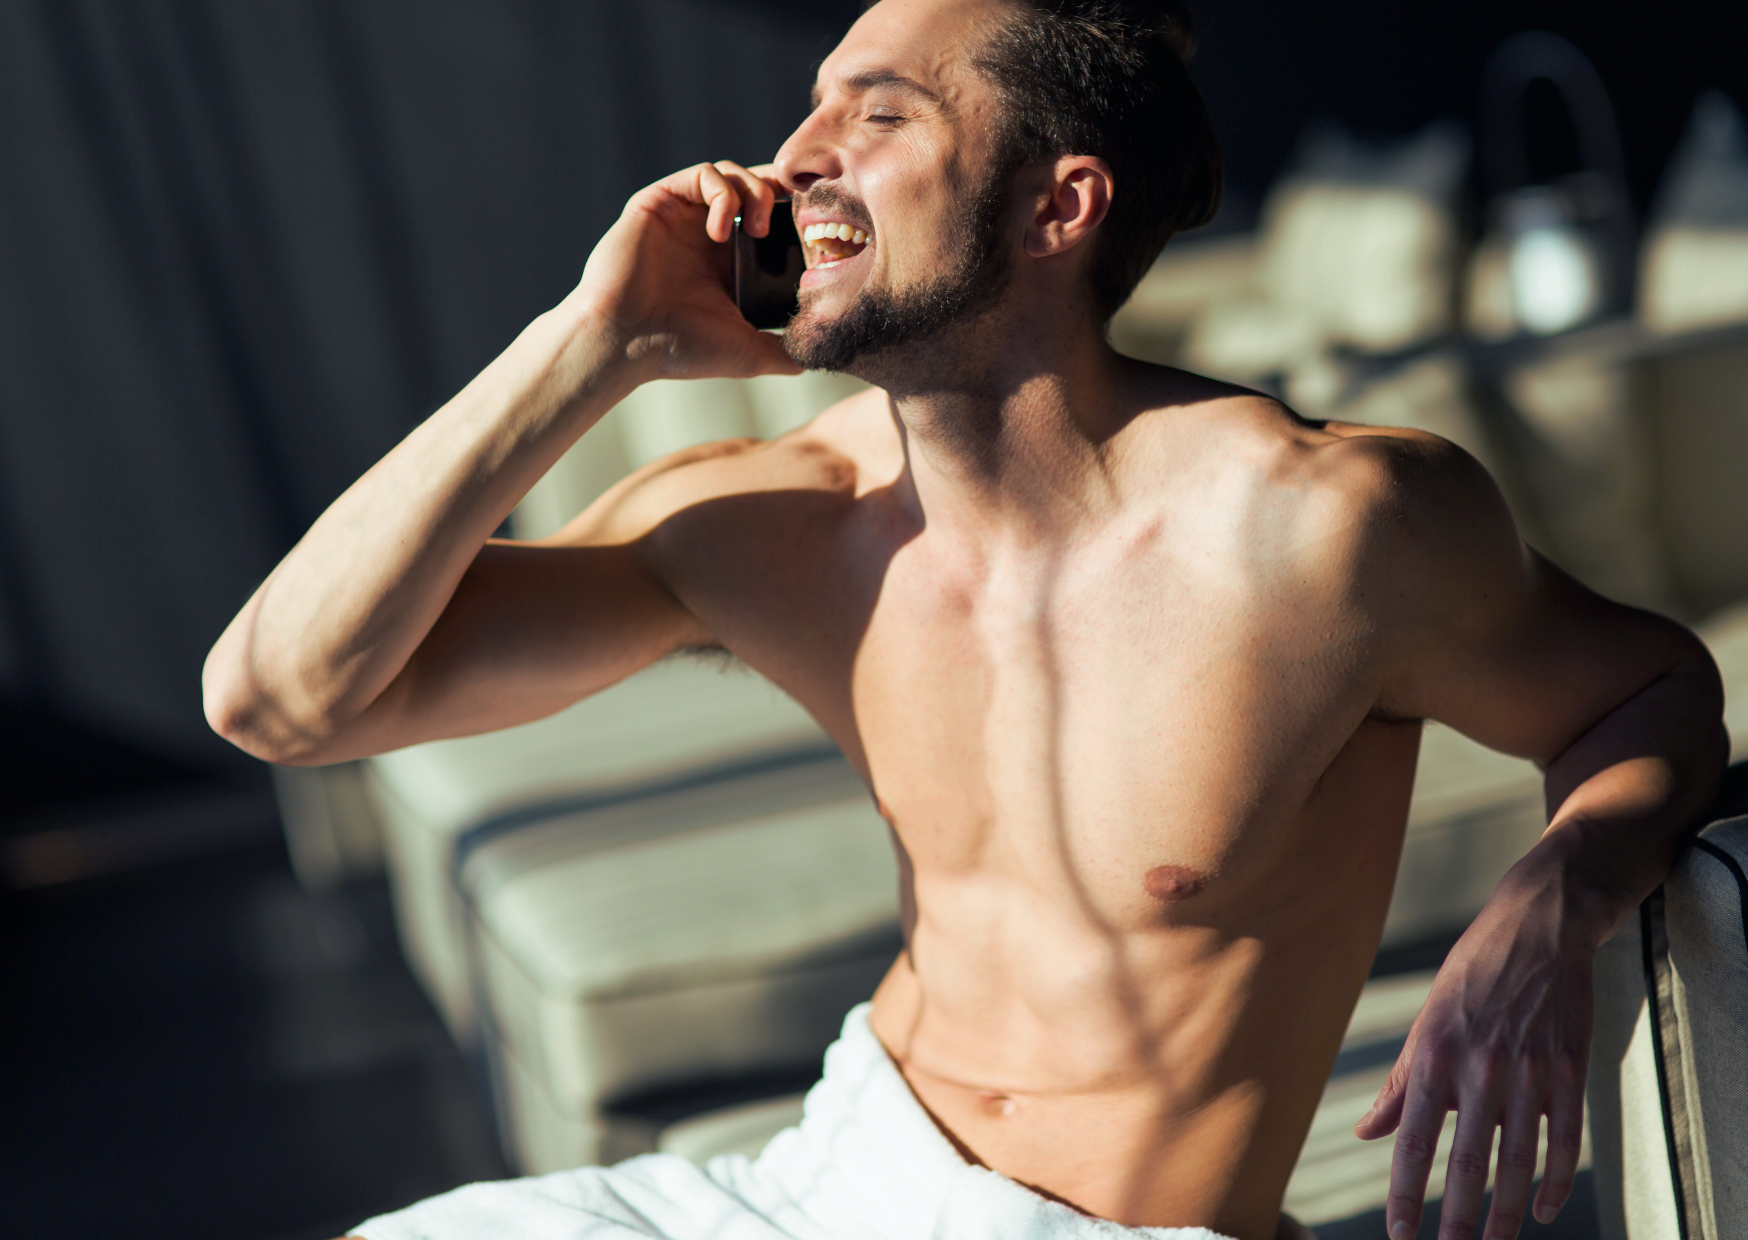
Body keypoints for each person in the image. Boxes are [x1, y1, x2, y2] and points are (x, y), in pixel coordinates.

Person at [203, 1, 1727, 1238]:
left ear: (1060, 204)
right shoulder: (777, 519)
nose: (796, 157)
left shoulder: (1323, 527)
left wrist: (1555, 895)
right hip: (811, 1182)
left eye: (879, 116)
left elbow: (1654, 689)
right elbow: (282, 703)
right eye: (811, 108)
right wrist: (586, 346)